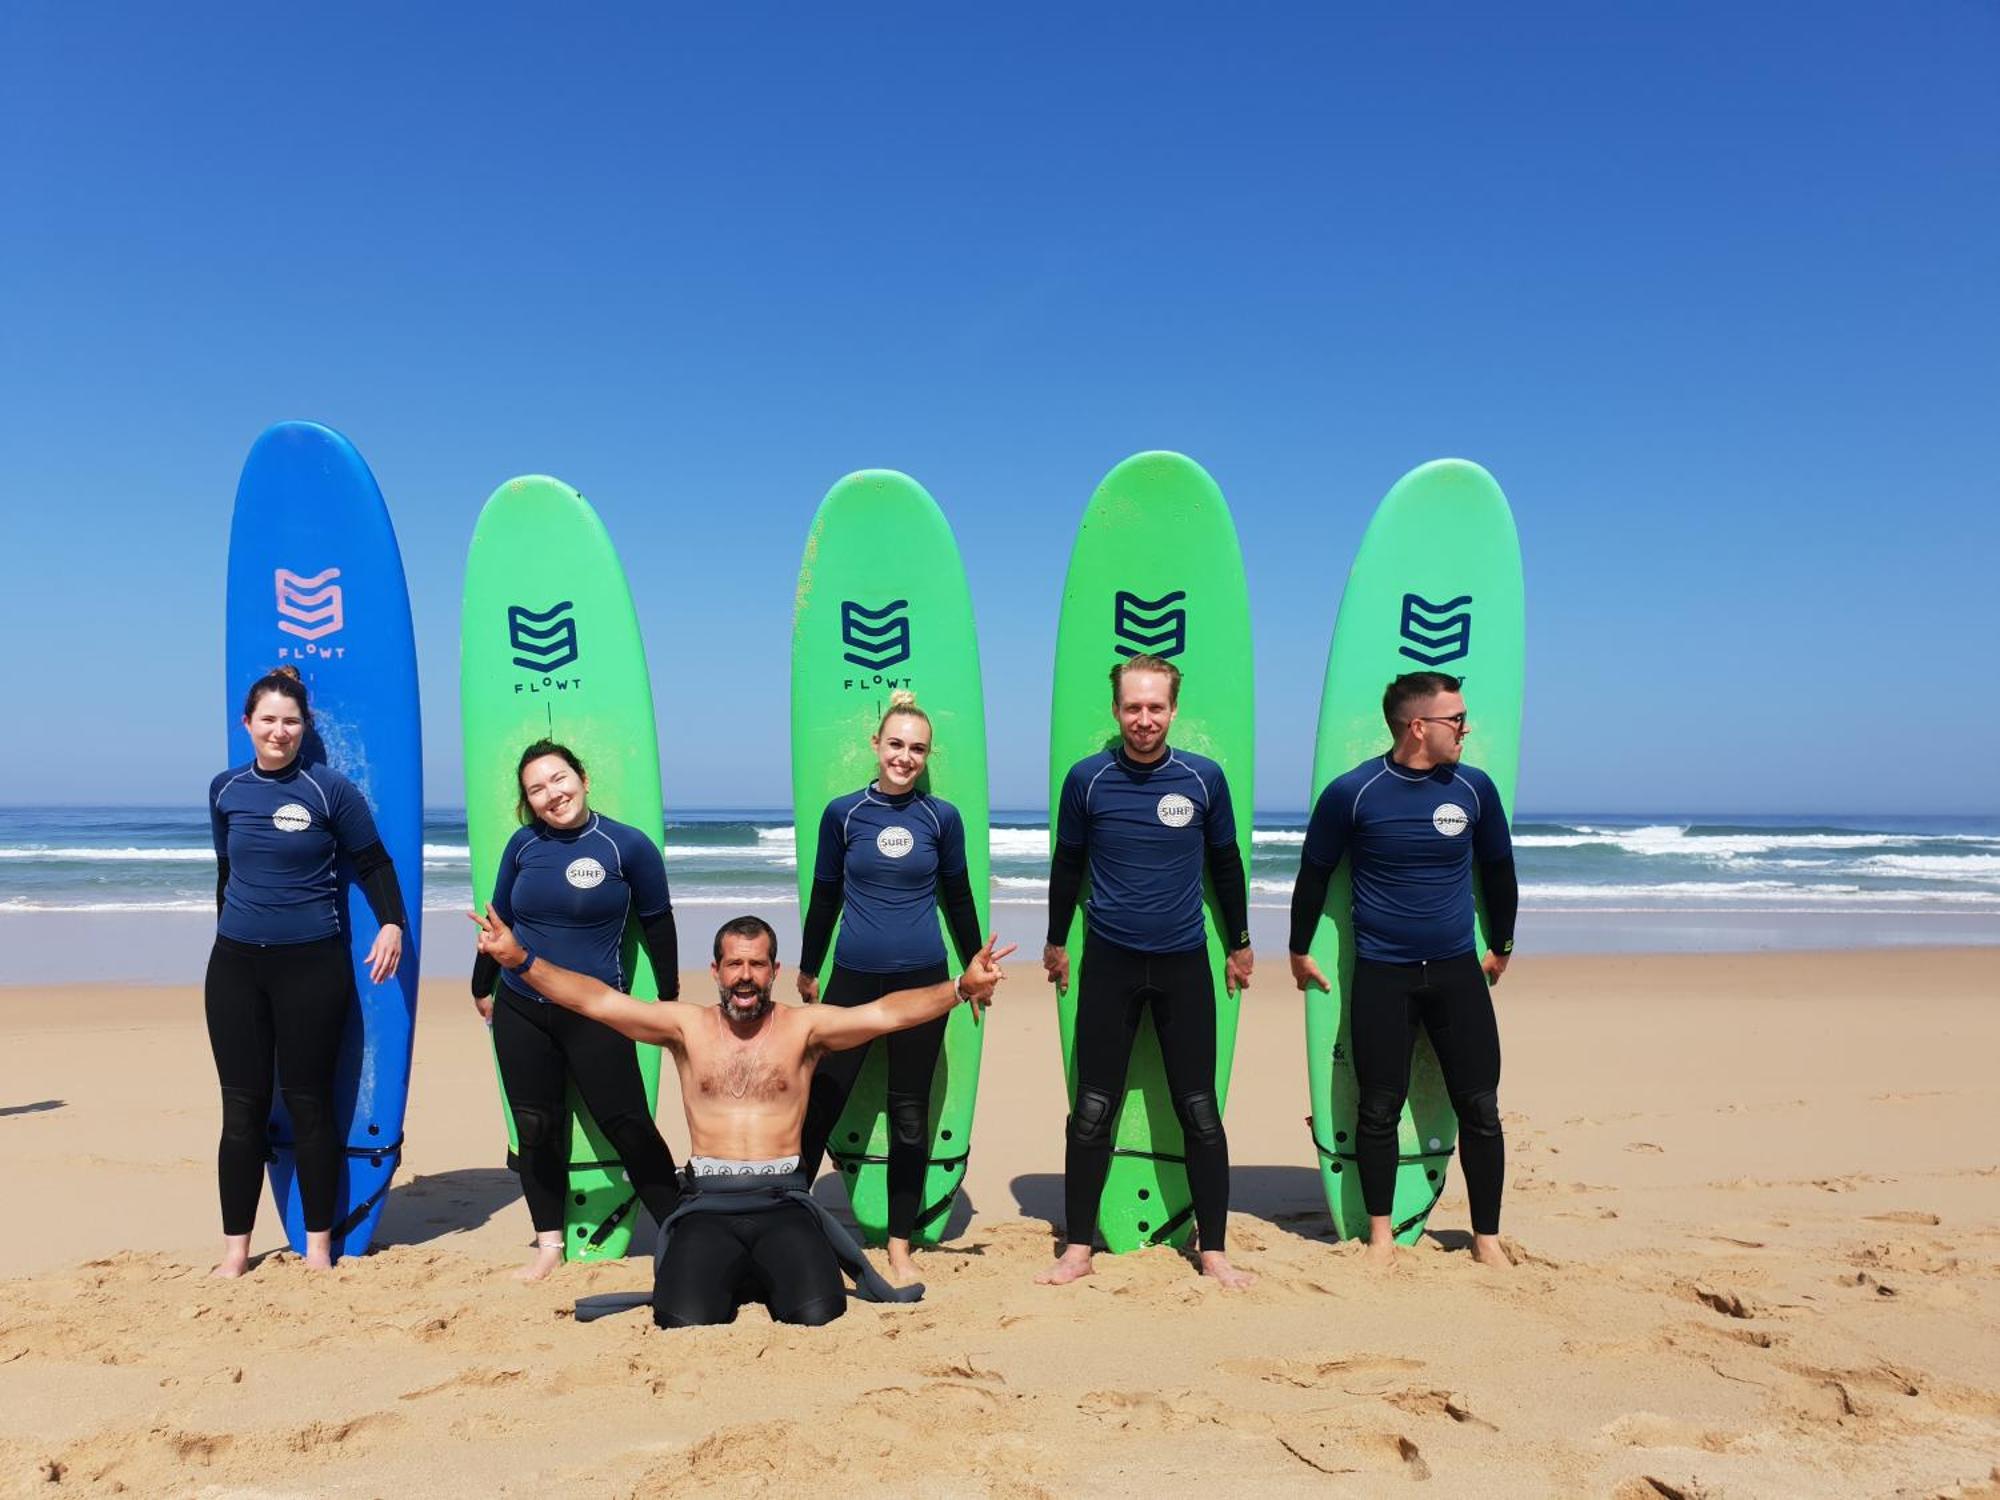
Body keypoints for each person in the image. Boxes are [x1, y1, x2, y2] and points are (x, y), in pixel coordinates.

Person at [470, 908, 1012, 1327]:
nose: (745, 976)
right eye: (735, 964)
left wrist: (960, 987)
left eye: (757, 964)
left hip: (784, 1202)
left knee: (819, 1313)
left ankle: (765, 1272)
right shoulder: (686, 1028)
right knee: (682, 1319)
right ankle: (732, 1273)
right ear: (716, 970)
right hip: (706, 1204)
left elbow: (885, 1012)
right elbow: (597, 1001)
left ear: (775, 970)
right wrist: (519, 961)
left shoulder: (805, 1028)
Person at [1037, 653, 1255, 1290]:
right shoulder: (1087, 780)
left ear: (1173, 709)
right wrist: (1055, 942)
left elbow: (1225, 863)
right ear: (1116, 710)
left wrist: (1239, 943)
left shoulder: (1203, 778)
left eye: (1155, 706)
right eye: (1132, 707)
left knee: (1199, 1109)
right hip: (1109, 961)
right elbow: (1067, 864)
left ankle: (1212, 1248)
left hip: (1184, 961)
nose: (1144, 719)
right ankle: (1078, 1246)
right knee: (1092, 1109)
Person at [1287, 671, 1519, 1269]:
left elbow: (1497, 870)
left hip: (1455, 974)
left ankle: (1485, 1238)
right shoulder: (1354, 792)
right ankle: (1382, 1236)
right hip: (1383, 975)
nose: (1467, 729)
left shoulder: (1474, 789)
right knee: (1378, 1107)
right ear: (1418, 727)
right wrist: (1298, 947)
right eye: (1456, 720)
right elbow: (1314, 872)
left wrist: (1503, 942)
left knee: (1481, 1107)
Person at [205, 666, 407, 1276]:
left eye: (290, 720)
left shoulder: (330, 790)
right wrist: (233, 933)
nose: (279, 730)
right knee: (241, 1110)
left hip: (312, 966)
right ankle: (235, 1253)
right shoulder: (225, 789)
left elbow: (372, 861)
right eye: (268, 719)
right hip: (236, 968)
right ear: (247, 724)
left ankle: (319, 1246)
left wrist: (392, 923)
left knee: (311, 1104)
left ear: (305, 727)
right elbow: (226, 872)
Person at [469, 740, 686, 1279]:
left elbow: (657, 920)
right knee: (536, 1126)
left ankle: (682, 1232)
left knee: (629, 1124)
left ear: (583, 778)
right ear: (528, 801)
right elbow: (498, 924)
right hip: (522, 1006)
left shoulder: (626, 847)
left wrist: (668, 997)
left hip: (595, 1011)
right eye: (536, 789)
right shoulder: (522, 846)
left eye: (558, 779)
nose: (552, 794)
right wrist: (482, 985)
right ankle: (548, 1244)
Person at [795, 689, 984, 1283]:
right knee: (822, 1102)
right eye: (896, 744)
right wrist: (809, 965)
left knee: (908, 1116)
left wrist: (975, 968)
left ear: (927, 757)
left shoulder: (940, 818)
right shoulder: (843, 814)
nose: (905, 757)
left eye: (917, 749)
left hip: (922, 983)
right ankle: (791, 1228)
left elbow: (957, 895)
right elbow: (825, 893)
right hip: (851, 980)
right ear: (875, 746)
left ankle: (899, 1244)